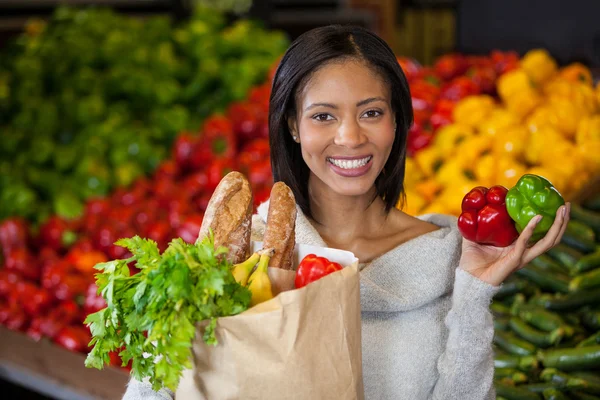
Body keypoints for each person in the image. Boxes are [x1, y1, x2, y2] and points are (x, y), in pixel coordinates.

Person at [123, 25, 570, 400]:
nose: (351, 137)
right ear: (293, 126)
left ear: (397, 120)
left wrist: (474, 290)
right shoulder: (242, 258)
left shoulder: (451, 258)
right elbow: (153, 391)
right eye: (323, 116)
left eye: (371, 112)